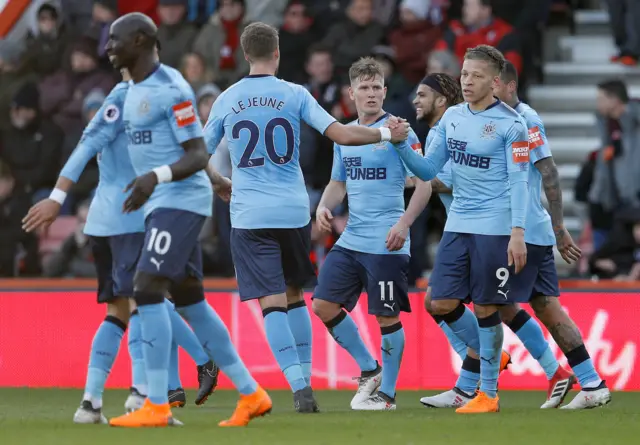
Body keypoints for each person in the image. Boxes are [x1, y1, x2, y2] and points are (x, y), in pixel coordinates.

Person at [203, 21, 410, 413]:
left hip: (249, 214)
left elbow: (199, 155)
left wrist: (217, 181)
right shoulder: (294, 93)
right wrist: (386, 135)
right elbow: (343, 135)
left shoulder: (227, 99)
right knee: (296, 296)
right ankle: (333, 373)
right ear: (277, 52)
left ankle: (300, 389)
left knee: (272, 304)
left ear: (246, 55)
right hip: (293, 210)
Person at [22, 73, 219, 425]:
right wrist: (56, 198)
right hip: (133, 219)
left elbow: (85, 146)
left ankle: (91, 403)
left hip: (102, 221)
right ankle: (154, 387)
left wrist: (58, 196)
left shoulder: (120, 102)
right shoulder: (146, 101)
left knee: (121, 310)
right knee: (150, 301)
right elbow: (187, 155)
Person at [103, 13, 270, 428]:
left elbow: (197, 151)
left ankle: (157, 404)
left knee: (146, 288)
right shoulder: (130, 90)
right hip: (163, 201)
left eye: (115, 40)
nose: (108, 47)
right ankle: (251, 394)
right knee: (191, 302)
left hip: (178, 200)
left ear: (140, 40)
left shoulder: (171, 88)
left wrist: (155, 178)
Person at [390, 45, 529, 414]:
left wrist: (518, 232)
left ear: (495, 82)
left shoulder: (513, 125)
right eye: (464, 74)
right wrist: (402, 143)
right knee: (440, 301)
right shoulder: (452, 117)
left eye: (476, 76)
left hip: (495, 227)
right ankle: (489, 363)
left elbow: (520, 183)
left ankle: (487, 394)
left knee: (486, 307)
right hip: (459, 224)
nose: (467, 81)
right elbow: (426, 170)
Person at [312, 57, 431, 411]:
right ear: (352, 93)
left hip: (387, 240)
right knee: (322, 304)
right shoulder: (345, 134)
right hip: (352, 239)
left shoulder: (399, 132)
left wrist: (404, 224)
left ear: (384, 90)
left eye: (376, 87)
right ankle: (369, 368)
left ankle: (388, 395)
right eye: (363, 87)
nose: (371, 93)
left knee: (385, 317)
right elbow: (338, 182)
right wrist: (323, 207)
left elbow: (424, 185)